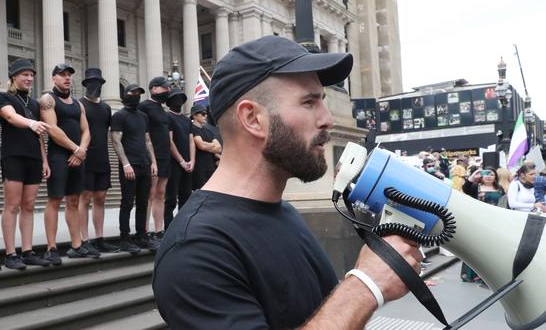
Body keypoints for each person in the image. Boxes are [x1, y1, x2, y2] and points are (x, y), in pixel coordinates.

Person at [153, 35, 421, 329]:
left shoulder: (283, 212)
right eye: (309, 102)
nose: (328, 119)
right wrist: (365, 286)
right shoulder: (195, 250)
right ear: (253, 118)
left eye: (323, 102)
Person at [0, 59, 51, 270]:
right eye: (24, 74)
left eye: (31, 75)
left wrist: (44, 160)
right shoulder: (3, 97)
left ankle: (27, 251)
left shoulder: (34, 104)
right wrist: (32, 123)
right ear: (14, 77)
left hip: (34, 158)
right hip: (13, 156)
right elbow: (10, 117)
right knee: (12, 205)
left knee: (29, 206)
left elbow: (40, 136)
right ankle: (10, 253)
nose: (29, 78)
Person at [39, 63, 98, 264]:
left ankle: (76, 245)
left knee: (73, 201)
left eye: (69, 75)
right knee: (55, 200)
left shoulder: (78, 104)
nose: (67, 78)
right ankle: (51, 248)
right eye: (62, 75)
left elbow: (86, 131)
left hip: (77, 157)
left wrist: (81, 151)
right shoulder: (48, 99)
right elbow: (52, 130)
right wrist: (76, 149)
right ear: (53, 78)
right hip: (58, 156)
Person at [111, 84, 158, 253]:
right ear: (125, 94)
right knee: (127, 202)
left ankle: (142, 236)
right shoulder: (119, 116)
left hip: (144, 164)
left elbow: (147, 141)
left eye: (139, 93)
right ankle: (125, 238)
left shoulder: (143, 116)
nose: (136, 95)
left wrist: (153, 162)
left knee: (143, 203)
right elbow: (116, 141)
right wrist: (125, 164)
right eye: (133, 92)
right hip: (129, 166)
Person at [76, 68, 119, 254]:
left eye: (98, 83)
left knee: (100, 198)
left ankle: (99, 238)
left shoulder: (106, 108)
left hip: (102, 157)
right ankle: (84, 239)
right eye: (91, 83)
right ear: (85, 85)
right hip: (85, 157)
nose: (95, 86)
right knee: (84, 197)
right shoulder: (79, 105)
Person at [138, 77, 170, 245]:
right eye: (165, 88)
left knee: (161, 194)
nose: (168, 91)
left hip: (165, 156)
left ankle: (159, 230)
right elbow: (144, 134)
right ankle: (145, 230)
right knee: (150, 194)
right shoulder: (144, 107)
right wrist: (151, 159)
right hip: (152, 156)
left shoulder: (162, 109)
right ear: (154, 89)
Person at [461, 166, 505, 283]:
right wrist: (473, 175)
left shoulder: (499, 188)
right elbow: (465, 188)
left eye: (491, 174)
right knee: (476, 248)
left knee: (491, 249)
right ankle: (473, 274)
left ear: (495, 176)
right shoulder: (476, 187)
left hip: (496, 223)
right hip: (479, 222)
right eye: (486, 174)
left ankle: (488, 275)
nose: (489, 176)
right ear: (482, 176)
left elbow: (504, 204)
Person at [164, 88, 195, 229]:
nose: (178, 101)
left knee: (186, 197)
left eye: (180, 98)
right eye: (175, 98)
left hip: (188, 164)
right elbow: (170, 142)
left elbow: (191, 141)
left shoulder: (186, 120)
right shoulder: (167, 117)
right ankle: (169, 228)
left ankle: (182, 227)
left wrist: (191, 161)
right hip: (174, 164)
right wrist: (181, 161)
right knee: (170, 199)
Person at [190, 104, 222, 190]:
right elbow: (201, 145)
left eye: (206, 113)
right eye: (203, 114)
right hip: (199, 169)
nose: (206, 116)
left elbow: (219, 148)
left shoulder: (208, 131)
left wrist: (206, 144)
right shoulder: (192, 128)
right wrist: (211, 145)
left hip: (211, 168)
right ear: (195, 116)